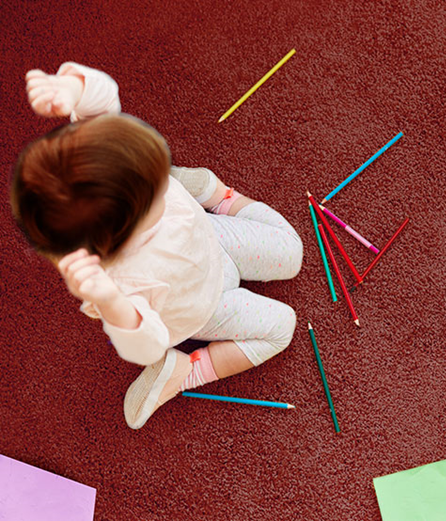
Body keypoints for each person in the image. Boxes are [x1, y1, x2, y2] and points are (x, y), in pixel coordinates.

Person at [12, 62, 303, 429]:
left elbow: (105, 102)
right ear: (122, 228)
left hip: (215, 240)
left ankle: (217, 195)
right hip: (204, 308)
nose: (159, 172)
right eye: (153, 179)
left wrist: (73, 90)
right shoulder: (120, 281)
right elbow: (146, 346)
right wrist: (113, 305)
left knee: (293, 253)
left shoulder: (117, 170)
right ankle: (185, 372)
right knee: (283, 327)